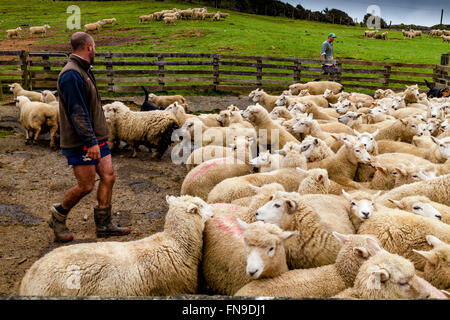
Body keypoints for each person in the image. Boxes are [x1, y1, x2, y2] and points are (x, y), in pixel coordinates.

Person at [48, 32, 130, 242]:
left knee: (109, 176)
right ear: (89, 47)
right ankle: (58, 215)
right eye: (95, 47)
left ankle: (104, 224)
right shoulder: (71, 75)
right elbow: (77, 112)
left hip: (97, 137)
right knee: (85, 185)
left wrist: (98, 138)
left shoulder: (83, 71)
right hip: (82, 141)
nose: (96, 51)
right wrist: (90, 142)